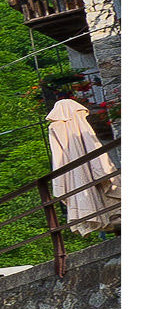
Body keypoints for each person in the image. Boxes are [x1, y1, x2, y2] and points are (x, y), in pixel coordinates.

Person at [45, 86, 119, 233]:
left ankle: (106, 221)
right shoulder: (77, 122)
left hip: (76, 171)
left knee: (83, 184)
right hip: (86, 166)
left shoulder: (57, 127)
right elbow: (94, 149)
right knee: (97, 180)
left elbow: (59, 156)